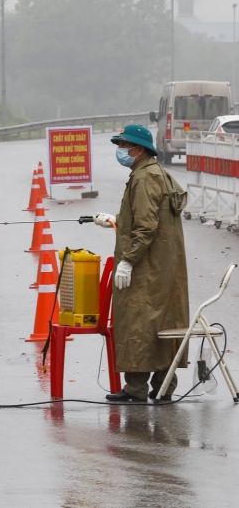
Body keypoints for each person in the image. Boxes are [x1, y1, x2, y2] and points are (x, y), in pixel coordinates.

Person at [92, 125, 189, 403]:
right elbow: (148, 219)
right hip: (164, 266)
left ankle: (136, 390)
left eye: (124, 146)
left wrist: (127, 261)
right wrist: (114, 219)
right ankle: (163, 387)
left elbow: (146, 227)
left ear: (139, 149)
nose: (120, 151)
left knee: (138, 322)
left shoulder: (144, 178)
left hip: (148, 266)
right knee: (162, 323)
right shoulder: (157, 174)